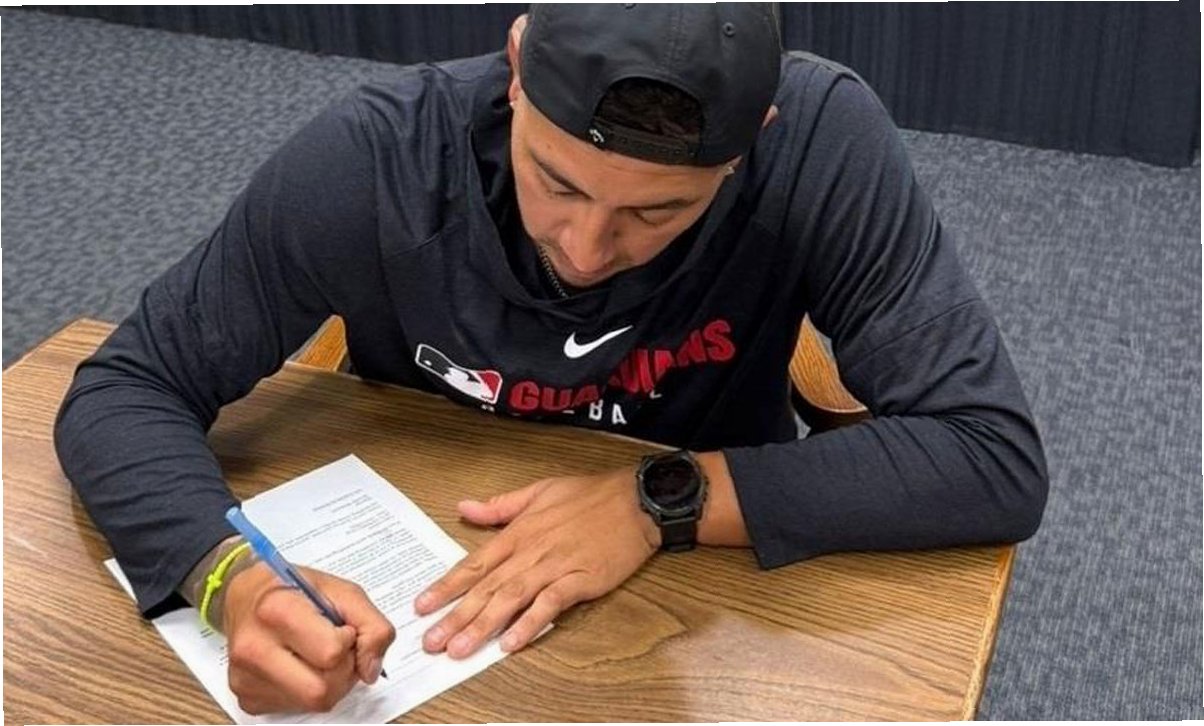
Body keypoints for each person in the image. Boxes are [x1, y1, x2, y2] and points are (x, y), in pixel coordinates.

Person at [54, 4, 1049, 715]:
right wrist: (235, 582)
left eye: (658, 211)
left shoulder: (821, 139)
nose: (584, 248)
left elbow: (990, 457)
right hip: (417, 605)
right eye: (557, 182)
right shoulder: (383, 155)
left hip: (703, 603)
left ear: (755, 141)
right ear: (517, 66)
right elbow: (128, 387)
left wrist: (658, 501)